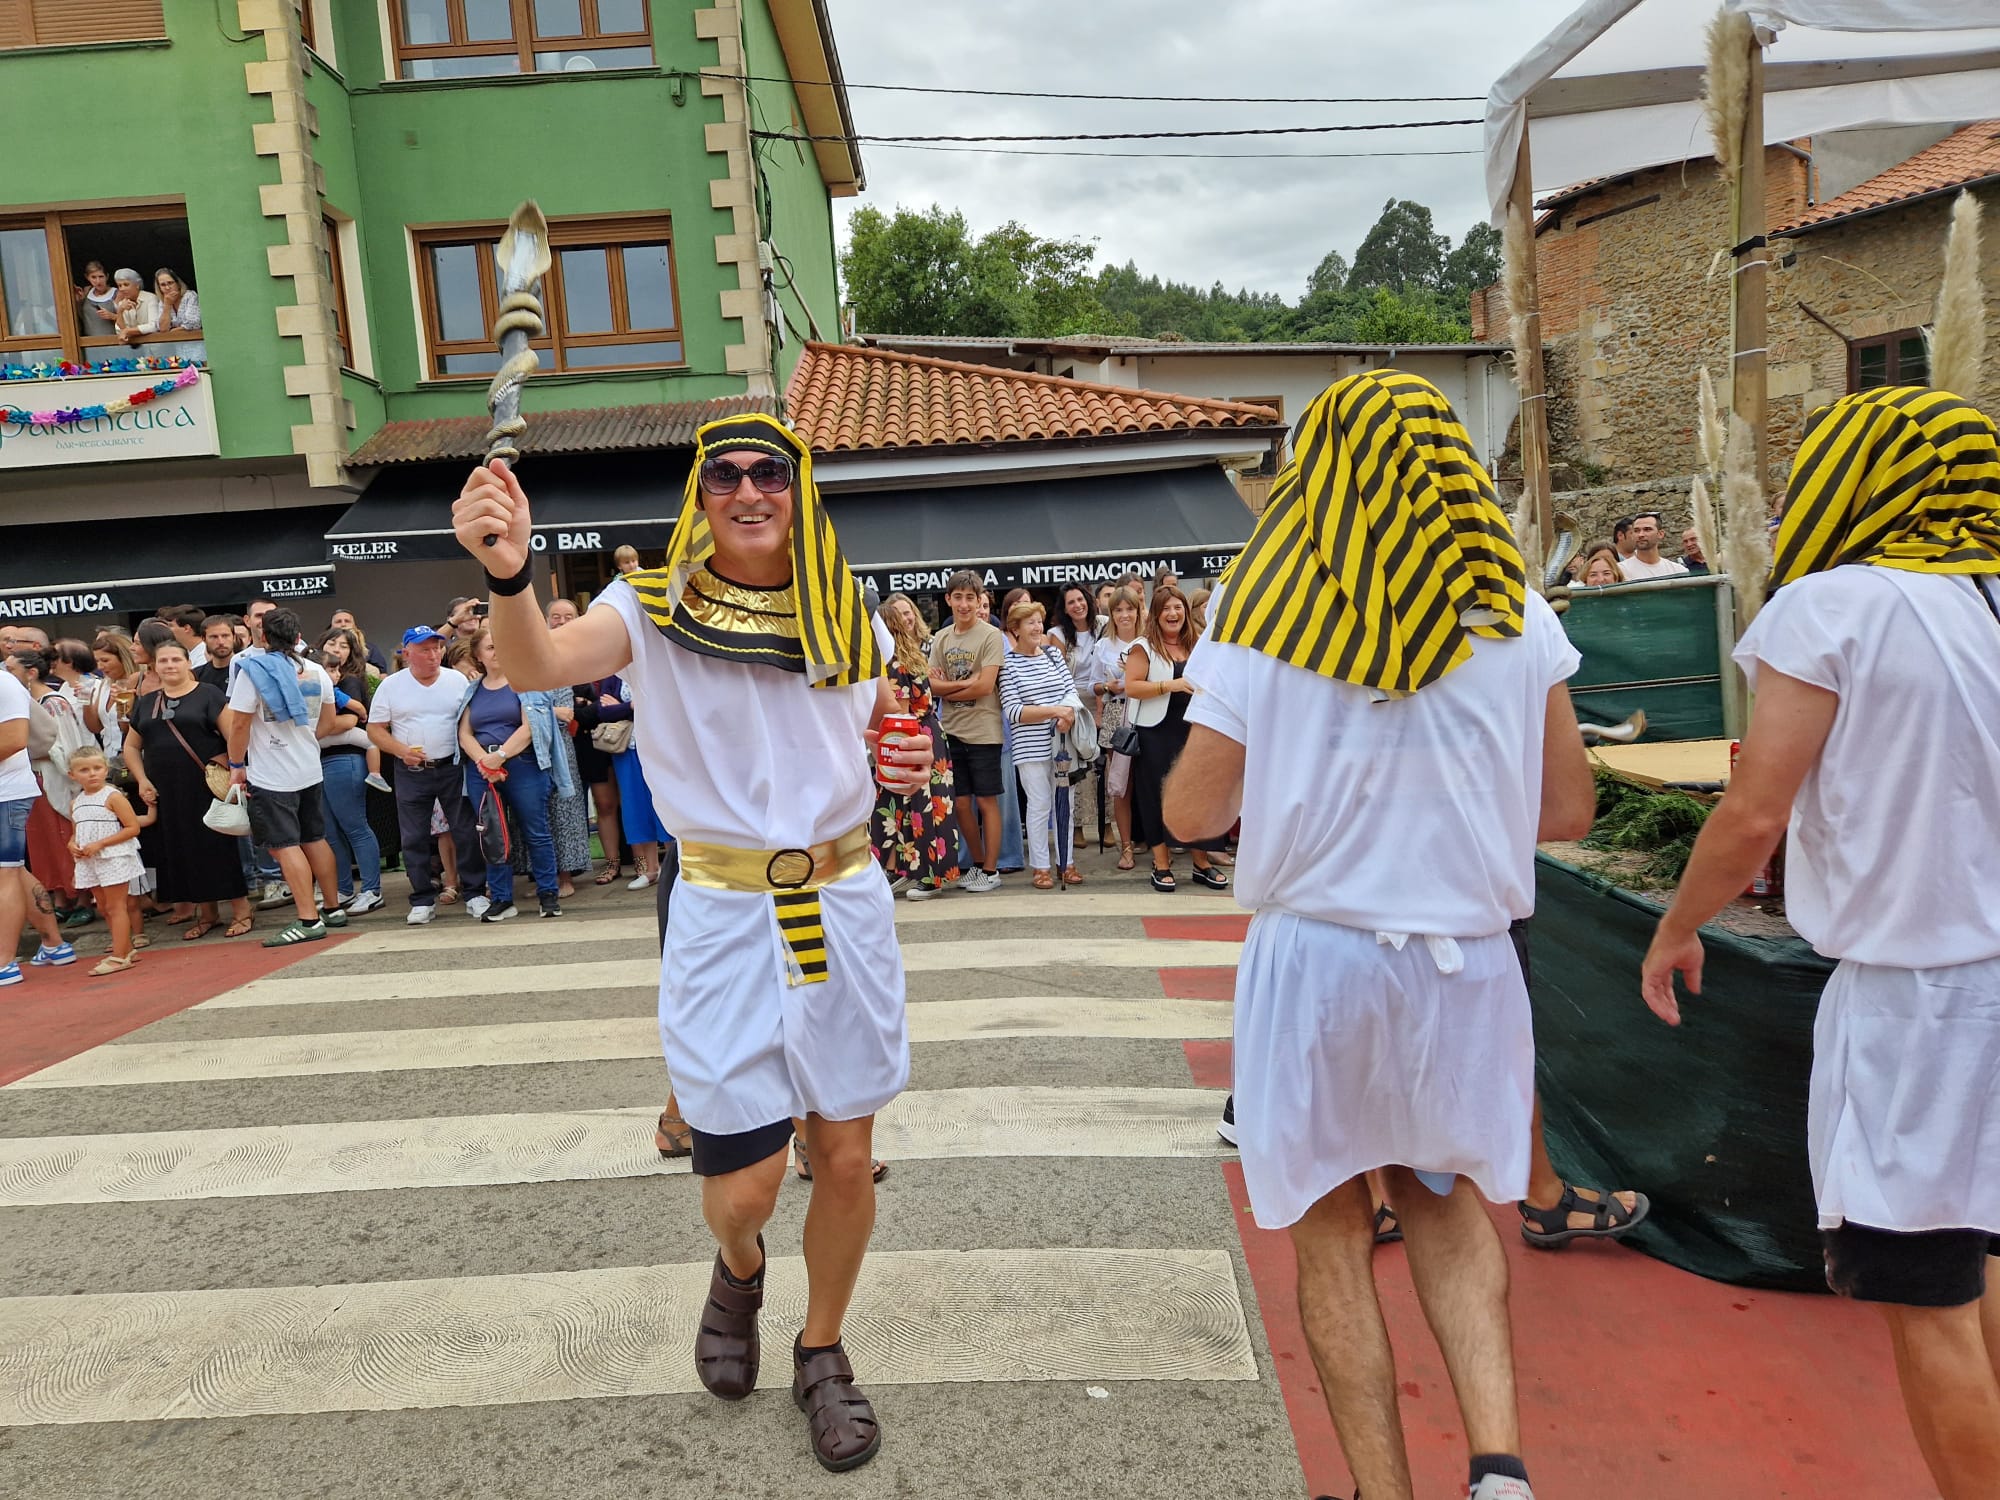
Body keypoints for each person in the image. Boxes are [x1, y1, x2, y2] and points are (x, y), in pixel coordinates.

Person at [455, 411, 929, 1475]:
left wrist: (893, 763)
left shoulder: (842, 604)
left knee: (846, 1154)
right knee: (748, 1183)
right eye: (727, 475)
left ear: (797, 489)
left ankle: (821, 1352)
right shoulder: (652, 604)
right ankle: (739, 1264)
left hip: (844, 898)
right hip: (721, 911)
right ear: (700, 494)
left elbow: (865, 720)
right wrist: (508, 569)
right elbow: (539, 658)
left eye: (771, 472)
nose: (749, 490)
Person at [1165, 369, 1595, 1500]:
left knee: (1327, 1235)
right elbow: (1566, 808)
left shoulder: (1262, 610)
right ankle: (1498, 1469)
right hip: (1463, 962)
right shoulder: (1515, 610)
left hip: (1318, 961)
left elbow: (1190, 814)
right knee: (1448, 1210)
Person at [1641, 386, 2000, 1500]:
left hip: (1916, 998)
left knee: (1923, 1291)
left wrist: (1673, 928)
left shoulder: (1832, 607)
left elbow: (1753, 810)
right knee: (1981, 1265)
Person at [225, 609, 343, 947]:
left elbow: (240, 724)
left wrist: (236, 763)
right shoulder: (318, 670)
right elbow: (328, 723)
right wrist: (304, 740)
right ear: (297, 637)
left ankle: (308, 919)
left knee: (285, 845)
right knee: (315, 838)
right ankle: (332, 908)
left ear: (263, 638)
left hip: (272, 773)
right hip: (309, 765)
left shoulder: (253, 671)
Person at [124, 642, 252, 940]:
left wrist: (237, 770)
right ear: (154, 666)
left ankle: (242, 910)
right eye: (163, 661)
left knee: (217, 849)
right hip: (166, 788)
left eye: (175, 659)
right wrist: (142, 779)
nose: (169, 665)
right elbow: (131, 745)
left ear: (187, 663)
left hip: (205, 784)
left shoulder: (208, 694)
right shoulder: (145, 702)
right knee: (182, 851)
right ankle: (207, 914)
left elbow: (234, 734)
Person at [368, 626, 490, 925]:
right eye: (424, 649)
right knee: (413, 836)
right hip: (411, 769)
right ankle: (422, 898)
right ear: (406, 653)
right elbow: (374, 728)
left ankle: (474, 892)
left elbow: (469, 721)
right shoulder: (391, 686)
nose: (433, 655)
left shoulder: (456, 680)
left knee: (464, 830)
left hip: (452, 765)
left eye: (437, 648)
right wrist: (399, 750)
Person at [1122, 584, 1226, 894]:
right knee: (1158, 797)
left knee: (1198, 797)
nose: (1173, 613)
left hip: (1194, 729)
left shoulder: (1197, 644)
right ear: (1156, 613)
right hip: (1155, 733)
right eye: (1166, 608)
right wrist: (1171, 685)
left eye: (1177, 607)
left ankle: (1201, 863)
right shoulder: (1144, 647)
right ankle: (1161, 864)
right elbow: (1132, 687)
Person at [458, 627, 563, 920]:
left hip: (522, 764)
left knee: (536, 832)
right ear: (478, 655)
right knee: (491, 834)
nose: (497, 653)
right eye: (491, 648)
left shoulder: (524, 684)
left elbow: (530, 728)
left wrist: (500, 756)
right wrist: (484, 762)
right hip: (482, 769)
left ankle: (548, 894)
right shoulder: (473, 689)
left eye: (502, 646)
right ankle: (502, 898)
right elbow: (464, 733)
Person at [869, 592, 959, 901]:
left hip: (910, 737)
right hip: (932, 734)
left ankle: (920, 874)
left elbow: (899, 709)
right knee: (934, 805)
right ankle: (928, 872)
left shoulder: (893, 664)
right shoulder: (914, 656)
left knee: (909, 806)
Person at [928, 569, 1006, 893]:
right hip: (952, 730)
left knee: (987, 801)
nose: (963, 604)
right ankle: (975, 863)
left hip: (984, 730)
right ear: (948, 600)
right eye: (957, 597)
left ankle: (990, 870)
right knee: (960, 803)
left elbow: (986, 685)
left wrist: (949, 688)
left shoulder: (990, 635)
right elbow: (931, 685)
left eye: (970, 598)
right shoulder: (941, 638)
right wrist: (963, 684)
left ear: (979, 601)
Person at [0, 661, 76, 987]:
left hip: (7, 791)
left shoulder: (3, 683)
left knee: (5, 872)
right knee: (14, 869)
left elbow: (16, 738)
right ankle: (54, 944)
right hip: (9, 790)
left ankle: (4, 963)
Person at [999, 599, 1079, 890]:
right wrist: (1054, 711)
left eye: (1038, 621)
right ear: (1015, 629)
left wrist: (1067, 714)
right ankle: (1041, 867)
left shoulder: (1053, 656)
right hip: (1029, 747)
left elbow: (1071, 691)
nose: (1036, 627)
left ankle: (1066, 862)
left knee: (1064, 804)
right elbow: (1014, 711)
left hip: (1062, 743)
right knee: (1039, 805)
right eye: (1029, 622)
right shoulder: (1007, 664)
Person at [552, 597, 627, 886]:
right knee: (571, 807)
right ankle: (585, 867)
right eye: (556, 616)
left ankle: (623, 862)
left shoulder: (596, 652)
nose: (561, 621)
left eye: (568, 616)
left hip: (600, 739)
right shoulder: (545, 655)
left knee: (609, 803)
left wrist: (580, 708)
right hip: (564, 745)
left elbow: (603, 706)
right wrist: (581, 706)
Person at [62, 748, 149, 975]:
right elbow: (76, 832)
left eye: (97, 768)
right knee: (102, 906)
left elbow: (133, 828)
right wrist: (72, 844)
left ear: (106, 770)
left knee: (115, 905)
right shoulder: (76, 803)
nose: (92, 774)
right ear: (72, 775)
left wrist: (101, 844)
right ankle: (126, 948)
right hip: (90, 861)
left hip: (113, 857)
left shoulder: (113, 797)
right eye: (84, 770)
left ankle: (119, 956)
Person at [316, 628, 384, 917]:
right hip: (318, 761)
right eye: (331, 643)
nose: (337, 649)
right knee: (330, 831)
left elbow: (350, 721)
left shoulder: (349, 681)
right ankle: (343, 889)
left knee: (355, 826)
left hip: (345, 759)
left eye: (343, 645)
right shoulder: (310, 681)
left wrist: (314, 732)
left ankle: (372, 890)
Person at [1049, 582, 1103, 848]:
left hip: (1103, 697)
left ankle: (1105, 824)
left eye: (1080, 600)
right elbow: (1059, 674)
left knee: (1101, 766)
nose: (1078, 605)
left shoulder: (1103, 625)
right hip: (1073, 703)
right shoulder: (1058, 634)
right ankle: (1079, 826)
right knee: (1079, 767)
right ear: (1065, 609)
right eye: (1071, 602)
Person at [1095, 586, 1143, 867]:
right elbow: (1091, 686)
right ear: (1111, 614)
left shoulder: (1150, 640)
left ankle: (1159, 844)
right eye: (1118, 610)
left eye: (1129, 609)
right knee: (1121, 784)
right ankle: (1126, 847)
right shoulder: (1103, 646)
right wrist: (1106, 686)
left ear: (1138, 611)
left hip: (1149, 711)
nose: (1124, 615)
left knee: (1151, 782)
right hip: (1117, 712)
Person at [150, 267, 203, 362]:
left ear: (177, 283)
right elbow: (162, 328)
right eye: (163, 285)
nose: (167, 287)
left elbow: (194, 323)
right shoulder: (163, 302)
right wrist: (167, 305)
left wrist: (173, 331)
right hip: (180, 352)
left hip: (197, 348)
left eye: (170, 283)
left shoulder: (190, 296)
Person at [1619, 512, 1687, 580]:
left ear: (1660, 534)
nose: (1641, 535)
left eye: (1647, 529)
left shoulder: (1678, 571)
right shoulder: (1621, 570)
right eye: (1636, 531)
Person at [110, 268, 163, 344]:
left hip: (155, 345)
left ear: (137, 285)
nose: (122, 289)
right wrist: (120, 311)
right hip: (134, 349)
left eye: (126, 284)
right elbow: (120, 331)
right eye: (120, 286)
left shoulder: (150, 298)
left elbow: (154, 326)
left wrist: (128, 331)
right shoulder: (122, 304)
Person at [330, 608, 389, 673]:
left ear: (354, 626)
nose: (343, 624)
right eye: (338, 621)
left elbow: (382, 673)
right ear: (331, 627)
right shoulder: (323, 646)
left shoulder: (370, 648)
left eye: (347, 621)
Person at [74, 261, 119, 342]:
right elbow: (81, 317)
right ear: (87, 277)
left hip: (113, 341)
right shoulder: (87, 291)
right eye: (93, 277)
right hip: (90, 343)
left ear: (107, 276)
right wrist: (78, 302)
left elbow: (129, 320)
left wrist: (113, 316)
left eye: (101, 276)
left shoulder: (117, 293)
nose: (98, 281)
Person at [195, 615, 237, 689]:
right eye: (214, 637)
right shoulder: (197, 675)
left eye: (225, 636)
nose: (221, 642)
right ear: (204, 639)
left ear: (234, 637)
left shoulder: (244, 670)